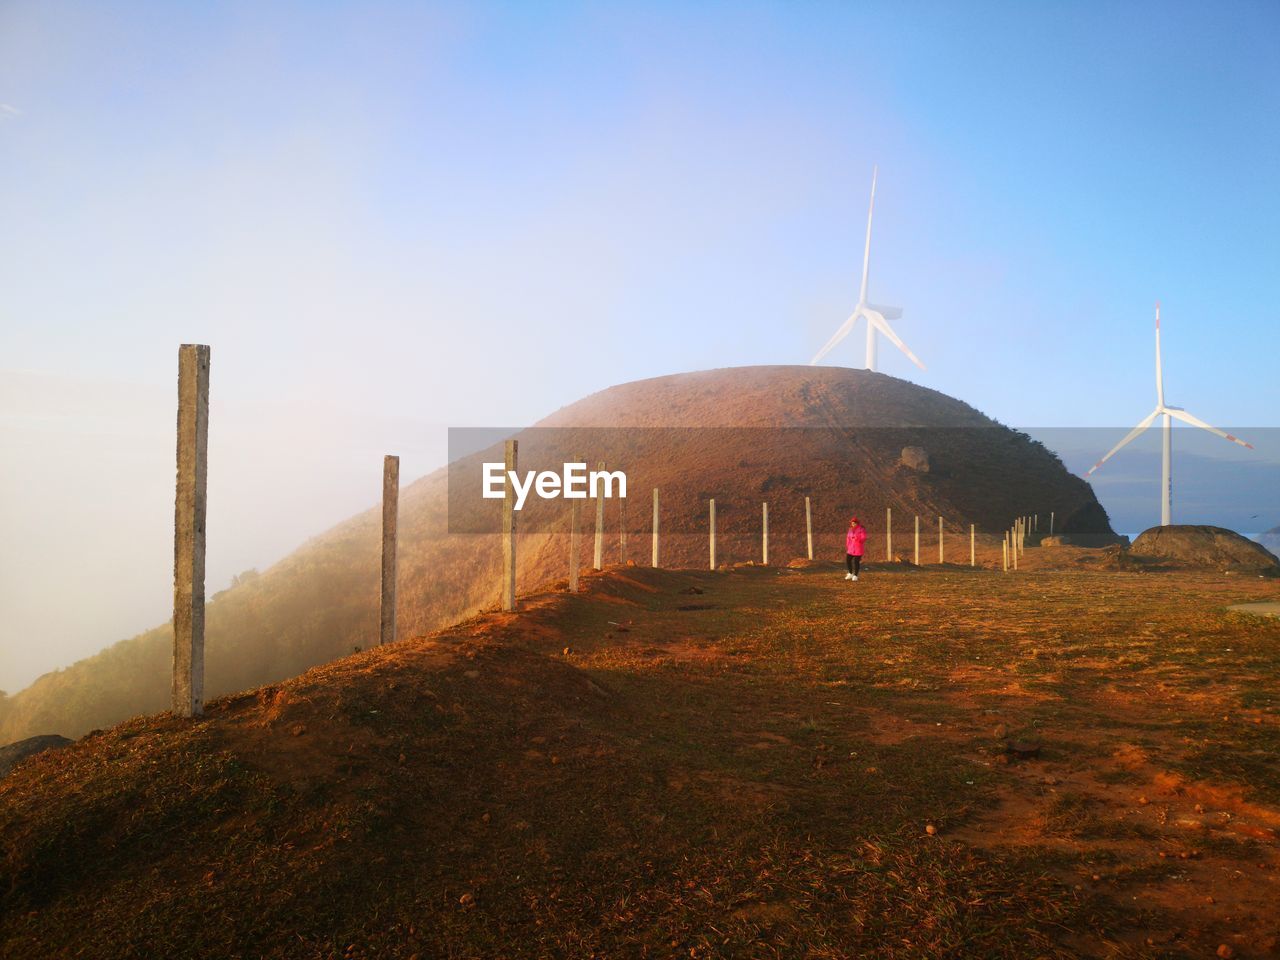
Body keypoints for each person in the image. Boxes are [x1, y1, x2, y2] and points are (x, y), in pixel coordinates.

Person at [845, 516, 867, 581]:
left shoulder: (861, 529)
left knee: (856, 562)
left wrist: (858, 539)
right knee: (848, 560)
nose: (853, 524)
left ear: (857, 523)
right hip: (851, 548)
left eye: (854, 523)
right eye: (852, 523)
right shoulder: (850, 529)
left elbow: (864, 537)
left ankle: (855, 575)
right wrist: (848, 545)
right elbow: (848, 538)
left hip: (858, 548)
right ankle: (850, 573)